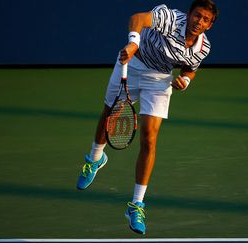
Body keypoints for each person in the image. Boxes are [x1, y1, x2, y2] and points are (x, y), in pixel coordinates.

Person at [76, 0, 219, 235]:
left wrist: (186, 81)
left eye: (205, 19)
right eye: (197, 15)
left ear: (210, 25)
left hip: (159, 80)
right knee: (109, 114)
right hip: (132, 63)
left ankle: (136, 205)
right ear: (189, 14)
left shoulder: (203, 47)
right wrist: (133, 43)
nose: (199, 21)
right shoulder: (172, 19)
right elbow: (138, 18)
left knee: (150, 139)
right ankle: (94, 159)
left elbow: (189, 68)